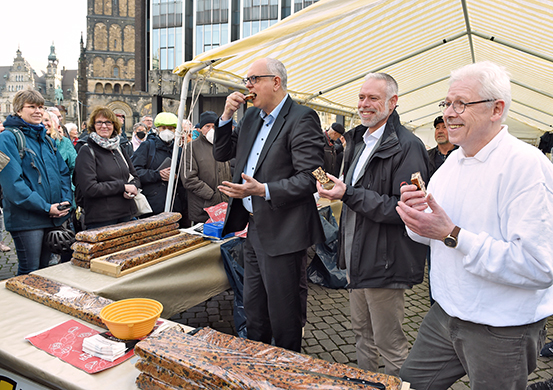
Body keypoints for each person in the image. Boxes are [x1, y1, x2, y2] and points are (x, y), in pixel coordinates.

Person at [396, 61, 553, 390]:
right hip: (445, 315)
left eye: (461, 103)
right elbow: (433, 233)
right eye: (447, 103)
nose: (449, 113)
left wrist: (452, 234)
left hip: (502, 328)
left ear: (497, 109)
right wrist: (415, 219)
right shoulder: (454, 161)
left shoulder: (525, 166)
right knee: (407, 385)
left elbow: (539, 266)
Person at [317, 73, 429, 376]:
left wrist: (348, 193)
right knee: (361, 336)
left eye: (373, 98)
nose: (364, 104)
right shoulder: (358, 140)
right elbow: (357, 194)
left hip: (384, 261)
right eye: (362, 97)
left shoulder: (408, 146)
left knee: (389, 343)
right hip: (356, 258)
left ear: (392, 103)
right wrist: (340, 189)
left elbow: (404, 209)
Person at [213, 57, 325, 352]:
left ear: (276, 82)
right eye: (246, 81)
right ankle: (258, 367)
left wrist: (263, 189)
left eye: (254, 79)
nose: (248, 86)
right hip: (254, 228)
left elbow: (309, 178)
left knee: (284, 315)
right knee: (254, 310)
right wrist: (226, 115)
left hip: (286, 232)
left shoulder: (302, 117)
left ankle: (287, 370)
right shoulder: (250, 117)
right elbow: (222, 152)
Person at [0, 90, 71, 274]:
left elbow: (63, 173)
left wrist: (65, 202)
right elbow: (13, 185)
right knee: (29, 270)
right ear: (18, 110)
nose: (38, 111)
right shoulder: (7, 138)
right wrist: (46, 207)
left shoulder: (46, 139)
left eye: (40, 107)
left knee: (44, 271)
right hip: (27, 220)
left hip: (52, 216)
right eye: (31, 107)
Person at [74, 106, 140, 230]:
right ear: (93, 126)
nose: (104, 126)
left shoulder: (119, 148)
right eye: (99, 122)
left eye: (108, 122)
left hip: (127, 215)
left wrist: (133, 188)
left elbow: (135, 177)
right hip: (102, 220)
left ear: (114, 125)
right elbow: (90, 188)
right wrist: (122, 187)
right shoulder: (87, 151)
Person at [132, 112, 188, 226]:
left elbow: (185, 174)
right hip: (152, 206)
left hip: (175, 205)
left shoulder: (178, 150)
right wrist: (157, 174)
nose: (167, 131)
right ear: (157, 129)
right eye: (163, 128)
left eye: (171, 128)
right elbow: (135, 172)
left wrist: (177, 177)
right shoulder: (147, 146)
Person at [181, 111, 231, 224]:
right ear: (200, 129)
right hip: (203, 207)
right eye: (207, 126)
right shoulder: (191, 147)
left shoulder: (222, 146)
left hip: (223, 206)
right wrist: (211, 195)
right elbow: (188, 178)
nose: (211, 129)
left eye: (214, 126)